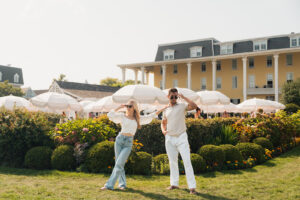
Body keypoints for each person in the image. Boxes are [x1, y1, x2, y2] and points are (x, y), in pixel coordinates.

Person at [101, 100, 168, 190]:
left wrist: (163, 108)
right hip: (119, 140)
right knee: (119, 163)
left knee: (119, 163)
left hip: (128, 142)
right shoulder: (122, 116)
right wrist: (120, 107)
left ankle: (109, 185)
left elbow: (151, 115)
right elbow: (110, 115)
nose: (128, 108)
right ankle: (122, 184)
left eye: (130, 106)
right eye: (127, 106)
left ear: (134, 108)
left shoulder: (138, 119)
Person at [161, 88, 198, 195]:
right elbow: (163, 122)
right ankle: (174, 183)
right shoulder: (166, 109)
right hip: (169, 138)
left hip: (181, 137)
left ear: (178, 97)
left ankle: (192, 187)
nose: (173, 98)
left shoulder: (182, 106)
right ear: (168, 97)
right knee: (172, 162)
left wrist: (184, 97)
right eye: (172, 96)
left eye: (175, 96)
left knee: (187, 161)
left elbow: (194, 106)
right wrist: (164, 131)